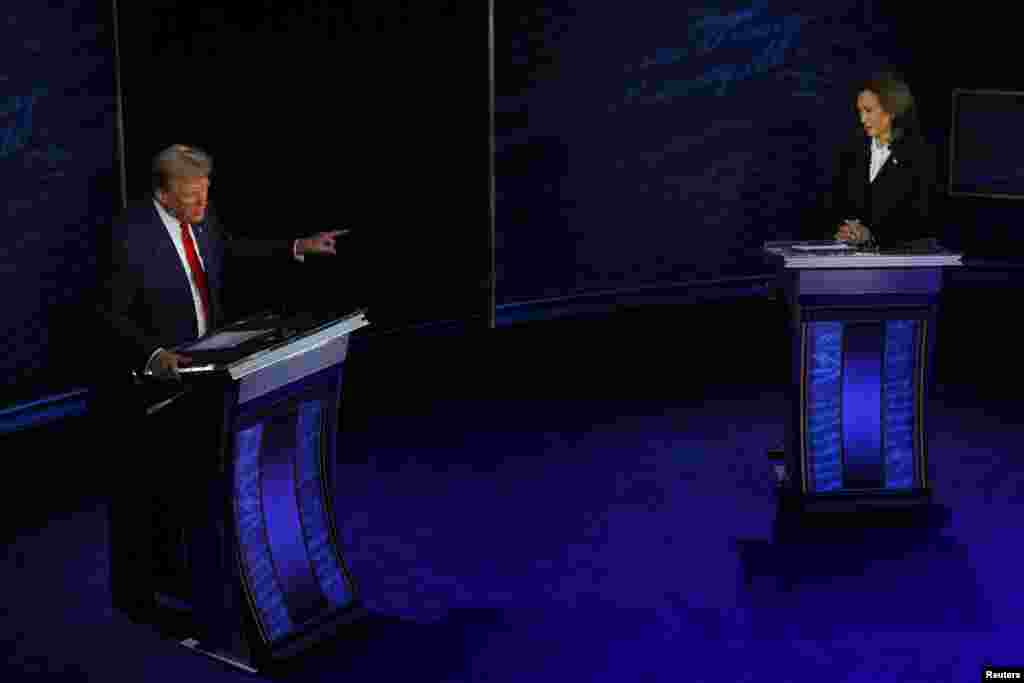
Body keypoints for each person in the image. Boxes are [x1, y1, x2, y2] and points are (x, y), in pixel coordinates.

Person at [96, 143, 346, 623]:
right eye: (192, 200)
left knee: (192, 489)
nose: (202, 208)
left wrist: (295, 246)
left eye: (206, 197)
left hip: (205, 377)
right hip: (150, 386)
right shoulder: (127, 237)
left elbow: (229, 248)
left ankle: (188, 582)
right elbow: (109, 315)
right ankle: (139, 604)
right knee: (147, 497)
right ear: (164, 196)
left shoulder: (203, 216)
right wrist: (153, 355)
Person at [825, 72, 937, 247]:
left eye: (868, 111)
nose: (862, 119)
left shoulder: (919, 156)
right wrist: (845, 229)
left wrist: (872, 235)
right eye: (859, 111)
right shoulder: (851, 151)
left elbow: (924, 220)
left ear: (891, 110)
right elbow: (832, 204)